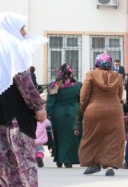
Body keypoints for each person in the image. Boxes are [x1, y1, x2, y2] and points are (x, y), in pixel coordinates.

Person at [0, 12, 47, 186]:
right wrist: (38, 107)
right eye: (21, 27)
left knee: (4, 165)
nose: (25, 32)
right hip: (16, 118)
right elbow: (25, 83)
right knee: (23, 163)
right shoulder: (14, 47)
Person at [78, 53, 125, 177]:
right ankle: (110, 165)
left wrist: (84, 108)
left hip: (94, 109)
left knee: (92, 137)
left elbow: (84, 95)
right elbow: (120, 95)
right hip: (114, 110)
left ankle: (93, 164)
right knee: (113, 138)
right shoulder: (118, 76)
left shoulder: (91, 75)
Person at [46, 63, 82, 168]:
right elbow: (81, 100)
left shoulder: (55, 85)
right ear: (71, 72)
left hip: (58, 113)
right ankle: (69, 159)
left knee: (59, 136)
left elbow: (50, 102)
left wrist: (48, 114)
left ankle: (59, 159)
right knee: (71, 136)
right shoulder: (78, 85)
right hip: (74, 112)